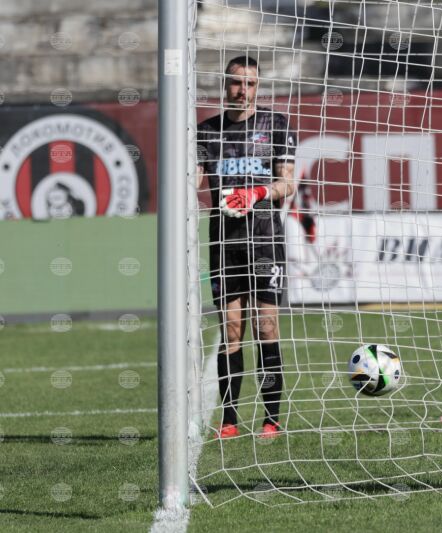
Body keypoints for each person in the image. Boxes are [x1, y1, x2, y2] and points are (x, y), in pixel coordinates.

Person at [196, 55, 297, 439]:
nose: (243, 90)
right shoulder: (206, 132)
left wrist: (256, 193)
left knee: (266, 326)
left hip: (265, 239)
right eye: (237, 83)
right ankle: (229, 420)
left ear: (259, 87)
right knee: (231, 330)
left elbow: (287, 183)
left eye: (251, 83)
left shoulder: (276, 125)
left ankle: (271, 419)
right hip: (225, 241)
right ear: (226, 85)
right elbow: (192, 181)